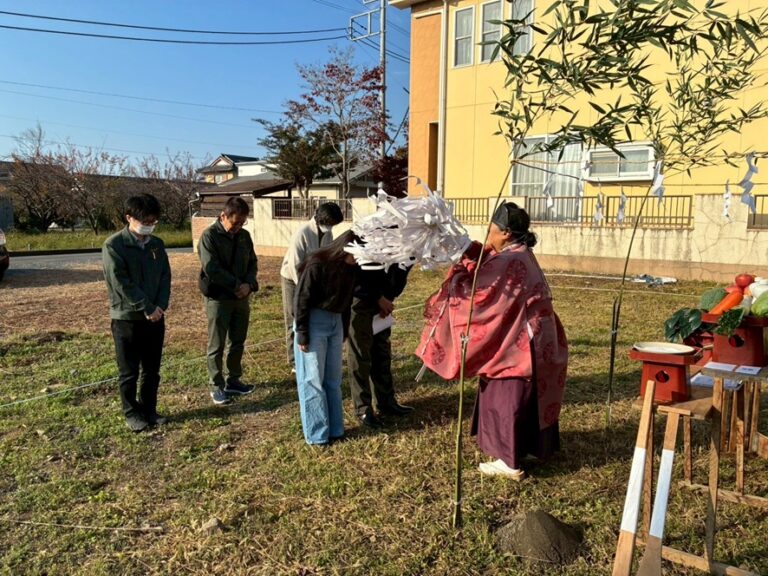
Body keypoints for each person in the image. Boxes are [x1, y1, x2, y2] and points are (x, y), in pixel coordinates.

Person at [416, 202, 568, 480]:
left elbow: (477, 296)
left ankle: (509, 461)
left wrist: (459, 272)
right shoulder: (520, 254)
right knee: (528, 397)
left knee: (506, 396)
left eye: (491, 230)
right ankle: (528, 448)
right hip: (536, 336)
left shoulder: (508, 261)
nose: (488, 236)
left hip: (518, 345)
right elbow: (489, 265)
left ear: (506, 233)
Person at [102, 193, 171, 432]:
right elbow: (121, 283)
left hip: (155, 317)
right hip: (127, 318)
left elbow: (165, 276)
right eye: (145, 221)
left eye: (153, 221)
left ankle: (150, 409)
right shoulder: (114, 245)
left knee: (152, 369)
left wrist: (160, 305)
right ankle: (132, 413)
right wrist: (146, 307)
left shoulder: (156, 244)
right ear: (129, 217)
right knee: (129, 371)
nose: (149, 225)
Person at [293, 230, 359, 446]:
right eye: (356, 254)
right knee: (312, 379)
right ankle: (317, 435)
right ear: (345, 249)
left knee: (333, 379)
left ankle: (336, 429)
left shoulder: (352, 268)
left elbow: (347, 300)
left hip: (335, 322)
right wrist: (302, 332)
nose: (358, 260)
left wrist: (344, 328)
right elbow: (301, 299)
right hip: (314, 321)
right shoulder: (317, 264)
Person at [198, 197, 259, 406]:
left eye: (242, 222)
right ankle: (216, 385)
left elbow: (252, 262)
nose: (238, 227)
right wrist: (236, 285)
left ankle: (234, 380)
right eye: (235, 223)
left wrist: (249, 284)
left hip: (241, 297)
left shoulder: (244, 236)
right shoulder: (209, 236)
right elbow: (211, 268)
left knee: (238, 340)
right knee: (217, 343)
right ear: (223, 216)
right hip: (219, 298)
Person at [347, 264, 414, 429]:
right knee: (360, 355)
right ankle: (363, 408)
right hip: (361, 296)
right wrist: (379, 298)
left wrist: (388, 298)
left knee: (382, 351)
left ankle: (386, 401)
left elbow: (401, 270)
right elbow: (359, 271)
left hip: (383, 298)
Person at [280, 202, 344, 367]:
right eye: (330, 223)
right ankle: (294, 360)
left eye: (333, 224)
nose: (330, 227)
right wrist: (304, 290)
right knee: (294, 316)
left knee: (310, 316)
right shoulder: (302, 233)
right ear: (320, 219)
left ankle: (310, 351)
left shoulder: (328, 234)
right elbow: (295, 265)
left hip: (312, 280)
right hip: (293, 279)